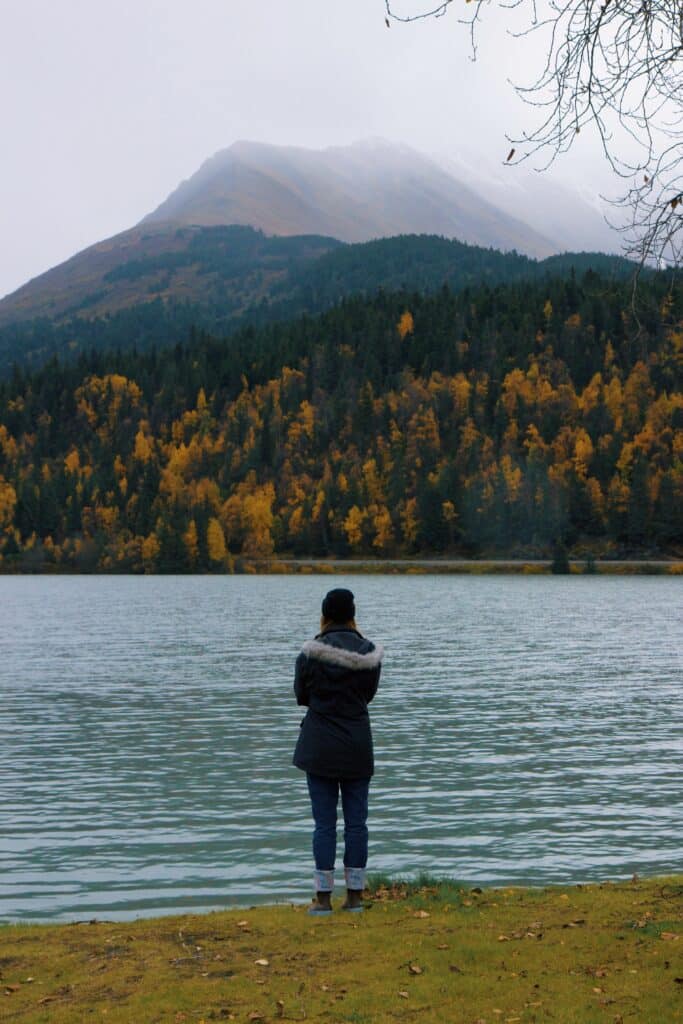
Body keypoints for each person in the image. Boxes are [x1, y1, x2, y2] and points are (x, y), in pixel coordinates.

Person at [292, 588, 383, 915]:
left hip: (319, 746)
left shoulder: (309, 653)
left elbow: (301, 695)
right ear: (352, 614)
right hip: (357, 745)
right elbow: (368, 695)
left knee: (324, 823)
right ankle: (356, 897)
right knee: (357, 822)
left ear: (325, 615)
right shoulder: (370, 653)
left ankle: (323, 899)